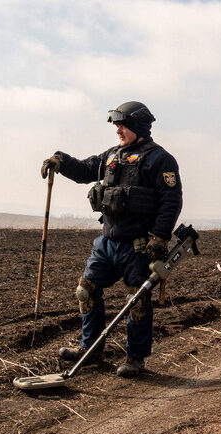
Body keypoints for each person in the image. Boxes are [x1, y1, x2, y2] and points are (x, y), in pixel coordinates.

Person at [40, 101, 182, 378]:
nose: (118, 129)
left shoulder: (160, 160)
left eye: (123, 125)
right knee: (86, 290)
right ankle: (90, 350)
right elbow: (84, 170)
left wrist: (161, 238)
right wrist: (61, 161)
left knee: (137, 301)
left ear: (138, 126)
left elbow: (171, 201)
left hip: (139, 246)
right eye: (117, 125)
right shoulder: (111, 156)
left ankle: (135, 358)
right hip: (106, 243)